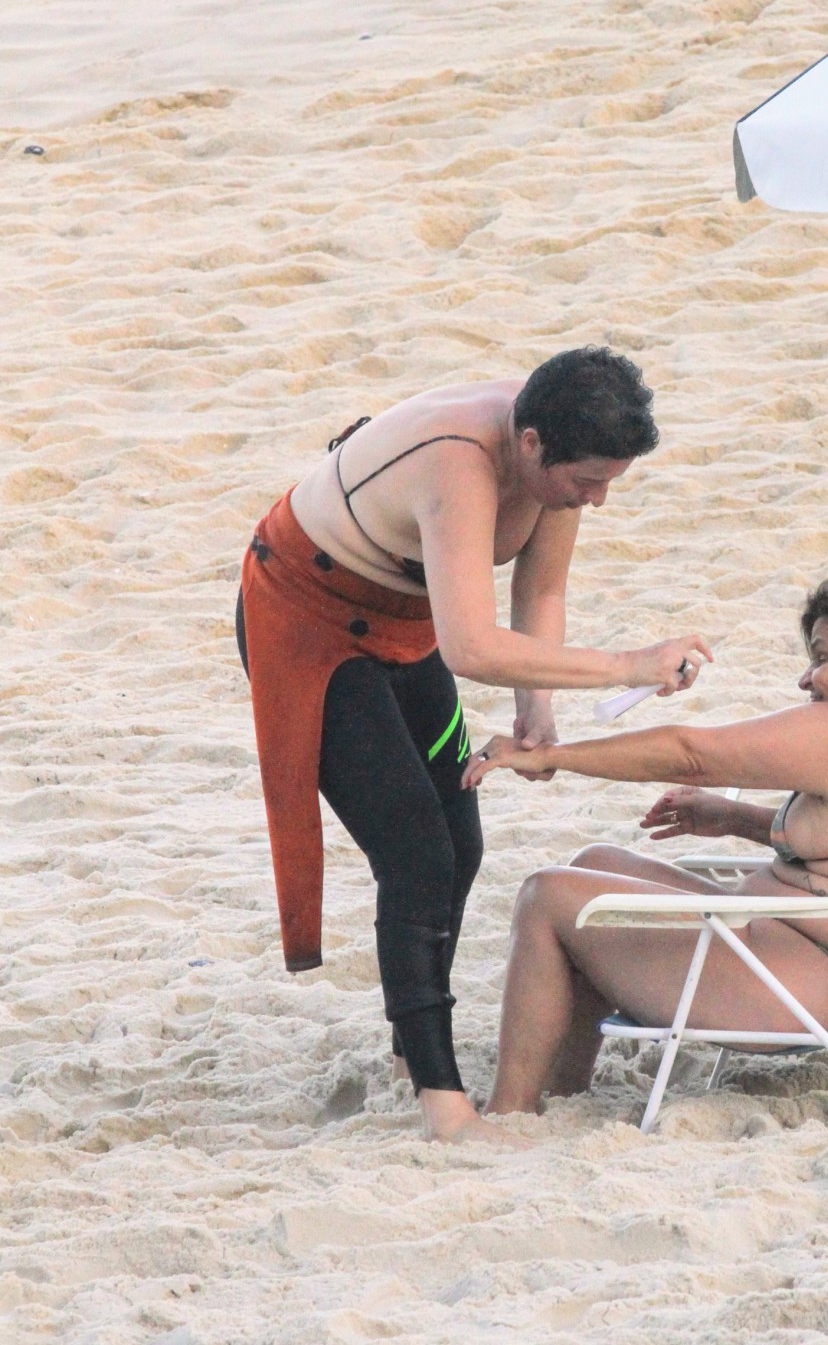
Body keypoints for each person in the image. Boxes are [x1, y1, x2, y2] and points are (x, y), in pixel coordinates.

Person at [237, 346, 711, 1143]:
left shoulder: (556, 449)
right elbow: (473, 648)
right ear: (531, 444)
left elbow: (541, 589)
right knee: (415, 851)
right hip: (306, 616)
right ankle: (440, 1099)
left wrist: (540, 713)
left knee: (460, 834)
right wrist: (628, 665)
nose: (597, 500)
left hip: (403, 621)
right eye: (588, 482)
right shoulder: (458, 460)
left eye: (610, 481)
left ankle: (405, 1047)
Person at [464, 571, 828, 1119]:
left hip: (791, 985)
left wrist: (548, 757)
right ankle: (564, 1090)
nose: (807, 679)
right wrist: (734, 818)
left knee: (547, 896)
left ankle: (507, 1112)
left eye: (823, 658)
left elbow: (692, 754)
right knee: (595, 865)